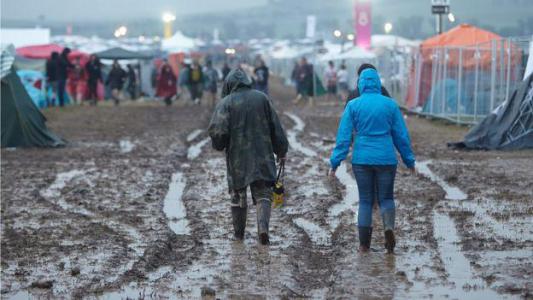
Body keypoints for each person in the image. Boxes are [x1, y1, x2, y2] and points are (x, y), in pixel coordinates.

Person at [329, 68, 415, 254]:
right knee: (386, 198)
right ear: (378, 82)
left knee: (366, 201)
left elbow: (343, 138)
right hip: (386, 158)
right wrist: (409, 160)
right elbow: (401, 136)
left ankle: (364, 245)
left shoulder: (353, 105)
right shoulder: (390, 105)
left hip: (362, 159)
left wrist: (335, 162)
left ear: (360, 83)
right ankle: (388, 228)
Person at [208, 69, 288, 245]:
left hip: (238, 159)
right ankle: (263, 229)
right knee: (264, 194)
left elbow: (218, 132)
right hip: (263, 155)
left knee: (238, 195)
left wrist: (219, 144)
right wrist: (281, 150)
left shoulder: (225, 103)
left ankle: (239, 235)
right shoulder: (262, 98)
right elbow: (276, 127)